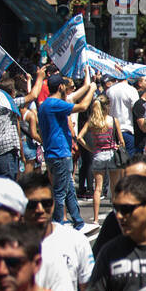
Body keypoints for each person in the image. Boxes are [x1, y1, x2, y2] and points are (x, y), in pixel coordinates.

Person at [38, 69, 97, 229]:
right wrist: (92, 88)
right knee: (60, 191)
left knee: (69, 189)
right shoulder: (55, 104)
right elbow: (83, 106)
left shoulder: (45, 105)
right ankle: (58, 223)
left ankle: (78, 222)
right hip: (59, 152)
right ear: (61, 87)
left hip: (54, 152)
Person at [90, 154, 146, 255]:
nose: (131, 187)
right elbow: (98, 258)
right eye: (127, 181)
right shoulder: (115, 219)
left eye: (139, 181)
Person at [77, 94, 124, 225]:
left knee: (97, 188)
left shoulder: (92, 122)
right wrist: (118, 146)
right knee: (114, 186)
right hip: (111, 153)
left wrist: (90, 148)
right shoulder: (113, 120)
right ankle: (116, 213)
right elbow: (121, 140)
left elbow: (79, 137)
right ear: (107, 106)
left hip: (98, 154)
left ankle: (96, 218)